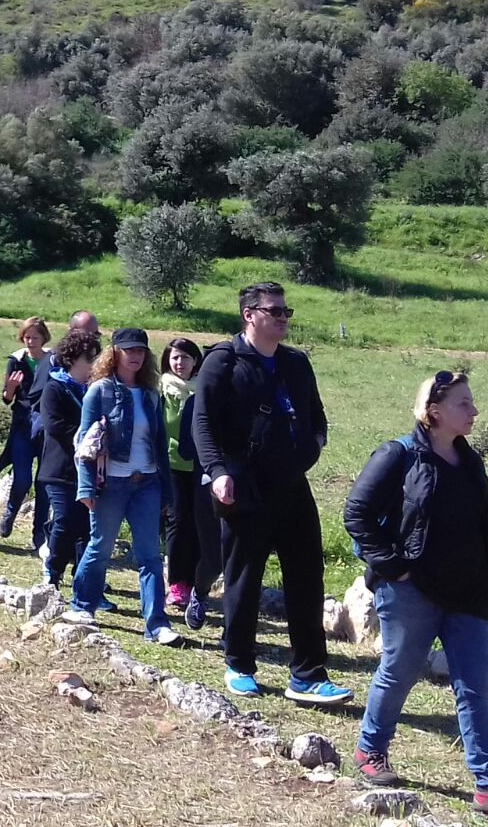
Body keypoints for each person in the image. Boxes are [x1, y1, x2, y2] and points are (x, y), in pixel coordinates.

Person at [345, 373, 488, 825]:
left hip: (469, 594)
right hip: (411, 590)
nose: (474, 411)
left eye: (472, 403)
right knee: (401, 670)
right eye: (464, 404)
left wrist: (485, 582)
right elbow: (357, 513)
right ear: (434, 411)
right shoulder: (398, 455)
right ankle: (371, 749)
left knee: (475, 689)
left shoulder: (472, 464)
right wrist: (394, 566)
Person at [191, 282, 352, 705]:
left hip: (292, 485)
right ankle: (239, 665)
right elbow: (202, 423)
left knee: (307, 577)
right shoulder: (222, 362)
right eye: (274, 311)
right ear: (249, 314)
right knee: (244, 578)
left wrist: (312, 447)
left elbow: (317, 417)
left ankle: (309, 675)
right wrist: (218, 471)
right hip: (243, 486)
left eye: (286, 311)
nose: (283, 318)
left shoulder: (296, 363)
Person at [64, 328, 179, 647]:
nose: (136, 355)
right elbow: (85, 443)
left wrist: (166, 493)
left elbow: (159, 445)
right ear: (115, 353)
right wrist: (86, 488)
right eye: (129, 350)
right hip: (111, 484)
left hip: (148, 482)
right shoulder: (98, 391)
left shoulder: (151, 394)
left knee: (150, 556)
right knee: (100, 547)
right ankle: (82, 606)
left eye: (141, 350)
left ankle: (156, 624)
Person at [38, 330, 102, 589]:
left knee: (86, 526)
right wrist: (90, 438)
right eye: (90, 358)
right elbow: (55, 427)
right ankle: (52, 571)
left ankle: (83, 578)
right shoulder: (54, 388)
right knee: (64, 520)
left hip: (88, 471)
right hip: (59, 469)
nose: (94, 364)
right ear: (73, 359)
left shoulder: (96, 390)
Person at [160, 338, 214, 626]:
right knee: (178, 521)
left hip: (201, 466)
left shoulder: (204, 391)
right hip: (171, 465)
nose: (180, 363)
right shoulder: (161, 390)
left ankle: (197, 582)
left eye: (186, 358)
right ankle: (177, 583)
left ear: (196, 361)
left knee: (199, 523)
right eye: (175, 357)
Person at [0, 317, 52, 551]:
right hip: (22, 424)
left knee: (44, 483)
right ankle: (10, 513)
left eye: (35, 337)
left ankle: (39, 535)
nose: (30, 341)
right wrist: (9, 390)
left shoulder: (53, 361)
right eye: (27, 337)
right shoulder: (16, 361)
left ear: (44, 339)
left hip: (47, 426)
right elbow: (7, 398)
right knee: (23, 479)